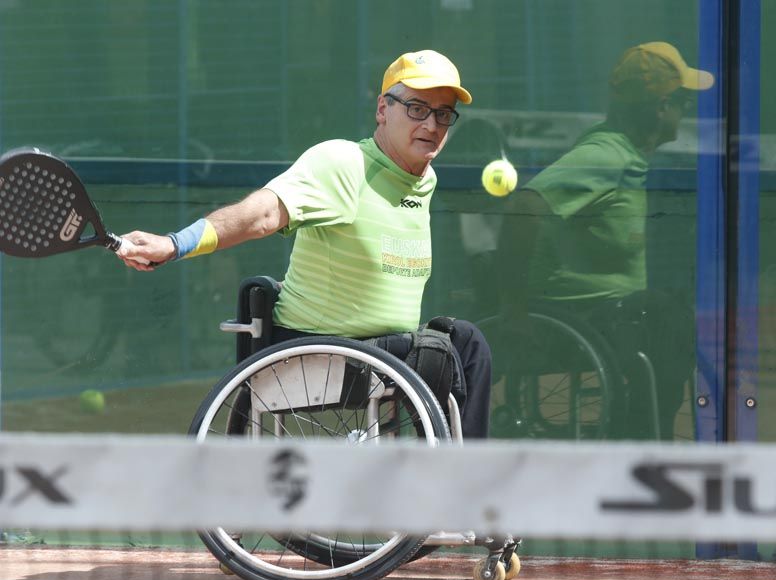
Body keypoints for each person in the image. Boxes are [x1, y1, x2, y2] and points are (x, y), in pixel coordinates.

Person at [116, 50, 492, 438]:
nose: (431, 124)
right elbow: (261, 214)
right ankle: (459, 481)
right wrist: (175, 243)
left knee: (465, 341)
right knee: (453, 349)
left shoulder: (423, 178)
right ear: (383, 109)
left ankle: (462, 479)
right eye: (417, 109)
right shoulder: (343, 163)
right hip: (322, 353)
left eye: (443, 114)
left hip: (379, 355)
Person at [499, 41, 713, 439]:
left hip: (609, 318)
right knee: (668, 317)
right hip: (582, 322)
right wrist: (513, 307)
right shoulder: (606, 155)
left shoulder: (626, 155)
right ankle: (642, 442)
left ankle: (642, 437)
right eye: (684, 100)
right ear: (661, 107)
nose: (688, 111)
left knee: (666, 312)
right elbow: (524, 207)